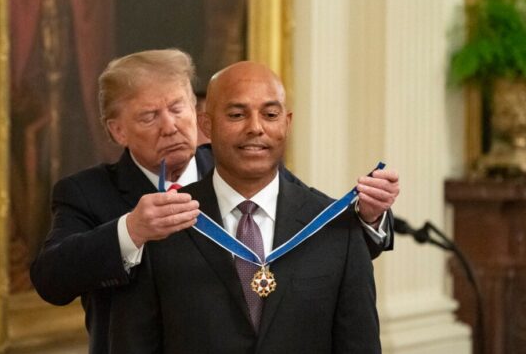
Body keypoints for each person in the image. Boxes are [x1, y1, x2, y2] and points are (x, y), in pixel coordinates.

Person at [30, 50, 397, 353]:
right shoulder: (87, 193)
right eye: (149, 116)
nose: (170, 126)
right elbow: (52, 279)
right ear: (117, 130)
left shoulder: (247, 160)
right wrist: (132, 231)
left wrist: (367, 219)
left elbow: (318, 238)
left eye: (178, 108)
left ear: (199, 115)